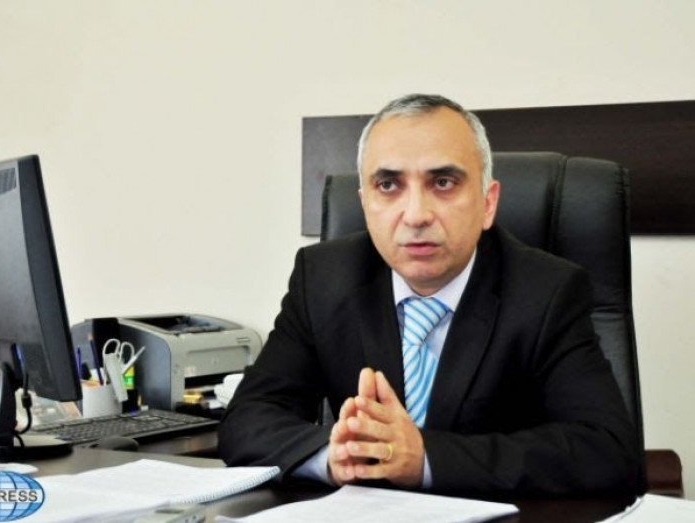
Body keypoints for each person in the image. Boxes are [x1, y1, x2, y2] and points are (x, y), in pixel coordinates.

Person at [218, 94, 640, 496]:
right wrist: (334, 454)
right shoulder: (323, 279)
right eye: (388, 185)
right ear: (365, 205)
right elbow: (248, 418)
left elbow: (605, 450)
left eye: (443, 182)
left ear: (487, 202)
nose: (416, 215)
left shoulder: (546, 291)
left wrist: (425, 457)